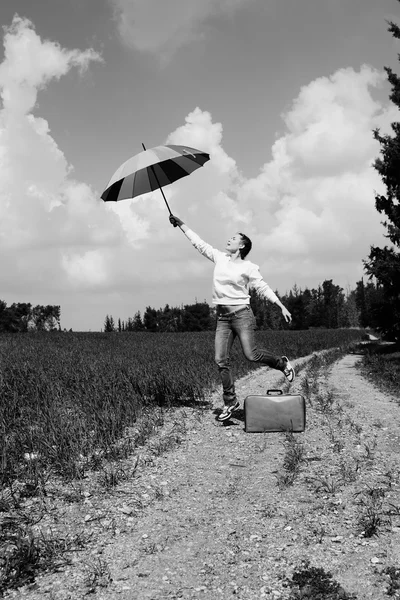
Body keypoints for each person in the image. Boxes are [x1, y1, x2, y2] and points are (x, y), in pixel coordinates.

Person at [169, 215, 295, 422]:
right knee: (220, 359)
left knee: (251, 354)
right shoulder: (219, 258)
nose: (229, 239)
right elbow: (199, 244)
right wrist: (181, 225)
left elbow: (262, 287)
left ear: (242, 245)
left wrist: (280, 305)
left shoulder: (248, 267)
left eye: (234, 238)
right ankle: (230, 402)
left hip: (242, 315)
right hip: (223, 318)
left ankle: (282, 364)